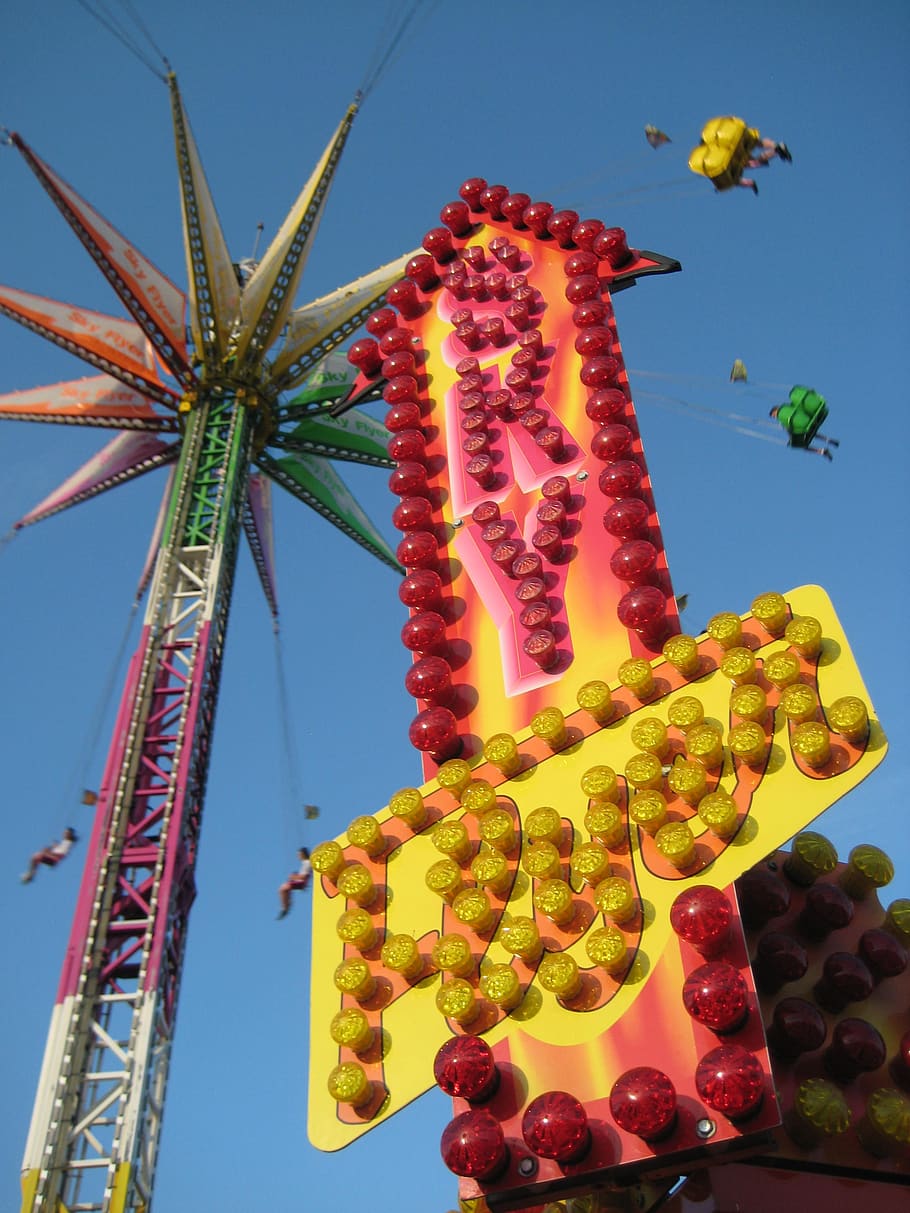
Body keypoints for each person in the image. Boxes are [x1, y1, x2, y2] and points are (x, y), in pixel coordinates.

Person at [770, 386, 839, 461]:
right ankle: (828, 440)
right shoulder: (789, 406)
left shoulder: (783, 417)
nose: (775, 417)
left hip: (805, 425)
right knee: (811, 431)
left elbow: (789, 429)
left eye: (774, 415)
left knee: (802, 444)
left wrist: (791, 439)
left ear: (776, 410)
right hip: (809, 420)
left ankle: (822, 451)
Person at [277, 846, 312, 919]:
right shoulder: (305, 863)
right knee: (284, 889)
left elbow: (304, 876)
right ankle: (286, 905)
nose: (298, 856)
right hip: (300, 882)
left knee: (282, 889)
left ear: (303, 854)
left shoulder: (307, 863)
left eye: (299, 854)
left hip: (301, 883)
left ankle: (286, 907)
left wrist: (293, 877)